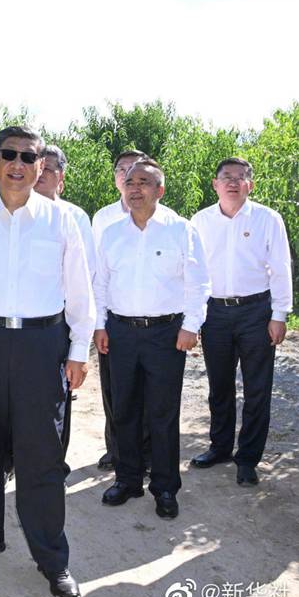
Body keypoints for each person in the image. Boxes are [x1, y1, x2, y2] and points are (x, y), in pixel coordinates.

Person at [0, 126, 94, 597]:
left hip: (41, 344)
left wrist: (78, 350)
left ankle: (53, 559)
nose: (18, 164)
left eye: (29, 157)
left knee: (41, 455)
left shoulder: (61, 221)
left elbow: (80, 293)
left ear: (41, 166)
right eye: (9, 154)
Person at [93, 159, 210, 521]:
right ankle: (127, 480)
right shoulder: (112, 233)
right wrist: (99, 326)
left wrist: (191, 326)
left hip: (165, 334)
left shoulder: (181, 230)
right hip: (121, 331)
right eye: (130, 182)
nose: (135, 188)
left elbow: (198, 283)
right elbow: (101, 284)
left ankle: (164, 487)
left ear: (160, 190)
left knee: (161, 414)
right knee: (124, 409)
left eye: (144, 182)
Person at [189, 157, 293, 486]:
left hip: (256, 312)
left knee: (257, 389)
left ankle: (247, 458)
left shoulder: (267, 219)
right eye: (226, 177)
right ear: (215, 184)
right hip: (214, 313)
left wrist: (279, 314)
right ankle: (219, 448)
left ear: (251, 184)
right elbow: (192, 272)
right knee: (219, 386)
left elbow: (280, 269)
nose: (233, 182)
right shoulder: (200, 221)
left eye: (241, 177)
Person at [91, 149, 174, 471]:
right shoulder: (104, 220)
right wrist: (99, 322)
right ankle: (120, 455)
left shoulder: (173, 225)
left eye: (139, 175)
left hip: (160, 326)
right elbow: (99, 276)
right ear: (117, 181)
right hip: (117, 321)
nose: (132, 181)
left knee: (157, 399)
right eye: (124, 173)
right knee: (118, 395)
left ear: (155, 184)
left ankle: (154, 459)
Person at [34, 144, 96, 464]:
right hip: (15, 323)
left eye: (50, 168)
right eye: (37, 165)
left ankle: (55, 459)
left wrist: (81, 337)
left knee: (57, 397)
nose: (41, 173)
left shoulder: (75, 216)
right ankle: (11, 461)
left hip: (59, 323)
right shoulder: (8, 211)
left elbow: (87, 276)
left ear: (61, 176)